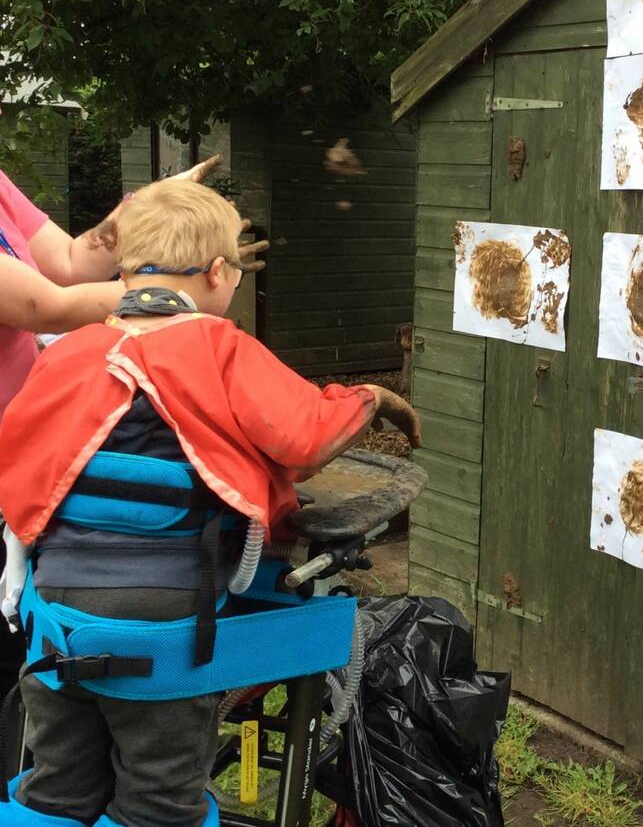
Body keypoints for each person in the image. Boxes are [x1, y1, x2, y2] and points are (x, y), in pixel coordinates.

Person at [0, 178, 421, 827]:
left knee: (55, 795)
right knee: (158, 807)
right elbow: (304, 438)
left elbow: (18, 458)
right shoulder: (219, 347)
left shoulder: (70, 353)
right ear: (221, 273)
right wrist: (369, 399)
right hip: (164, 632)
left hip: (55, 628)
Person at [0, 156, 266, 703]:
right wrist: (181, 290)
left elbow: (73, 261)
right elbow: (46, 304)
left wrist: (145, 211)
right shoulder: (208, 326)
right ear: (222, 273)